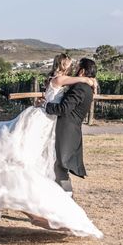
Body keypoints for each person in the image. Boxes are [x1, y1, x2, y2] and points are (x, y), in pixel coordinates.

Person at [0, 54, 103, 238]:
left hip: (50, 123)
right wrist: (89, 80)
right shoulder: (66, 80)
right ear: (64, 66)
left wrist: (47, 102)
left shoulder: (74, 84)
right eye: (70, 65)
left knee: (46, 163)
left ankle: (58, 203)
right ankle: (59, 204)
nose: (73, 69)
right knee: (33, 160)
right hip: (44, 120)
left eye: (77, 67)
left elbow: (63, 105)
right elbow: (65, 95)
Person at [39, 58, 97, 196]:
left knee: (60, 167)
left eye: (77, 67)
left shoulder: (80, 88)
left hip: (66, 132)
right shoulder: (84, 86)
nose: (74, 70)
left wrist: (44, 105)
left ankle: (67, 200)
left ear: (82, 71)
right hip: (68, 130)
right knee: (56, 166)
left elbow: (63, 109)